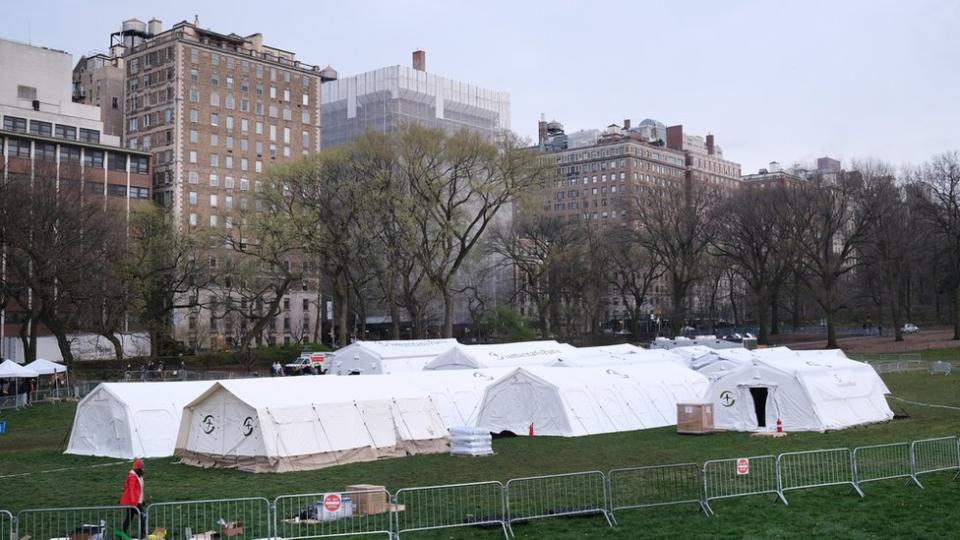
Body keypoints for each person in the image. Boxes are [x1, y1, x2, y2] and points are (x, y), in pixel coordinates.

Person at [120, 458, 146, 538]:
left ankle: (121, 535)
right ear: (138, 469)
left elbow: (140, 489)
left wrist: (143, 499)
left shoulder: (139, 476)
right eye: (141, 468)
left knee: (129, 519)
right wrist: (133, 502)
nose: (143, 470)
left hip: (136, 501)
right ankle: (142, 534)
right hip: (133, 502)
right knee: (143, 515)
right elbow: (131, 489)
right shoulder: (133, 477)